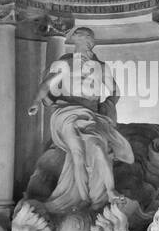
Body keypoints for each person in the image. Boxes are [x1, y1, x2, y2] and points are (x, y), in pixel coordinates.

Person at [27, 27, 134, 213]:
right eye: (81, 41)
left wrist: (106, 108)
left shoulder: (101, 67)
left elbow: (115, 92)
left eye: (87, 41)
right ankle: (85, 199)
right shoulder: (65, 63)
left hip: (91, 115)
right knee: (77, 153)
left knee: (99, 148)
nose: (85, 45)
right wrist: (36, 102)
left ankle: (110, 190)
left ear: (91, 43)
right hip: (68, 112)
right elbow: (47, 84)